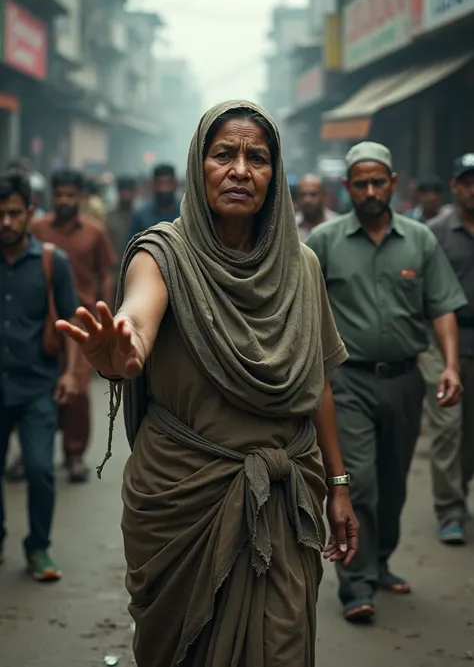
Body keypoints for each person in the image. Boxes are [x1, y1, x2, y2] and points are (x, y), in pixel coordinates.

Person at [57, 101, 359, 667]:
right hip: (182, 498)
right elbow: (139, 319)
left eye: (257, 157)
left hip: (284, 496)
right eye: (224, 154)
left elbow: (315, 381)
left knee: (283, 647)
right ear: (199, 166)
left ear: (276, 175)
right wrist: (123, 350)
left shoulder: (304, 267)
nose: (240, 170)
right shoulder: (162, 253)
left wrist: (338, 483)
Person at [306, 141, 466, 624]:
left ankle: (381, 561)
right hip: (347, 382)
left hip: (405, 379)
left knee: (394, 483)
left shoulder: (420, 239)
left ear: (394, 184)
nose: (371, 191)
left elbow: (441, 307)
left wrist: (452, 366)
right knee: (361, 482)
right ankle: (355, 583)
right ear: (347, 187)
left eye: (379, 182)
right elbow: (301, 310)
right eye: (361, 184)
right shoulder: (325, 242)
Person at [0, 171, 79, 580]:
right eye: (0, 215)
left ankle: (38, 549)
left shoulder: (52, 262)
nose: (6, 223)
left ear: (30, 213)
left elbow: (70, 323)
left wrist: (69, 374)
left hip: (37, 386)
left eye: (14, 214)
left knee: (39, 469)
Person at [30, 169, 117, 482]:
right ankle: (30, 452)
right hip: (43, 318)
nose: (64, 200)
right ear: (52, 196)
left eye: (70, 194)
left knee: (78, 389)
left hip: (81, 319)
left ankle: (75, 454)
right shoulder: (36, 228)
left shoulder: (94, 232)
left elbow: (103, 274)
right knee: (37, 383)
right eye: (59, 194)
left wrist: (107, 315)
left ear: (80, 197)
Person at [419, 154, 474, 545]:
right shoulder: (435, 232)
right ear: (454, 187)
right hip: (443, 345)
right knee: (448, 428)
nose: (472, 189)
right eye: (466, 182)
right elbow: (422, 293)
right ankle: (450, 510)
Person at [127, 164, 180, 240]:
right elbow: (131, 245)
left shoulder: (184, 213)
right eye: (159, 183)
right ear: (153, 185)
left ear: (174, 184)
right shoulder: (141, 215)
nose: (163, 188)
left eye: (166, 183)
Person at [106, 176, 138, 294]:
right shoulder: (108, 217)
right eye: (123, 191)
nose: (126, 195)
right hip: (114, 271)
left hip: (136, 270)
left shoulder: (140, 216)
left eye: (129, 191)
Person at [296, 174, 337, 241]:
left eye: (313, 194)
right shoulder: (291, 226)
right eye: (302, 195)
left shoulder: (336, 223)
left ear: (323, 195)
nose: (307, 200)